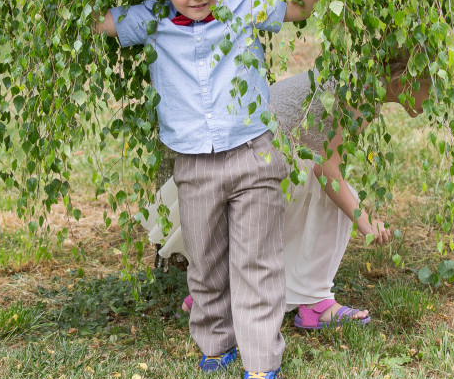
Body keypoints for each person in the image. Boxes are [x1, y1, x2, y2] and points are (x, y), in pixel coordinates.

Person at [92, 0, 330, 379]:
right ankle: (216, 346)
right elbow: (97, 24)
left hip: (254, 155)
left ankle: (260, 363)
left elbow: (301, 11)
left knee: (256, 261)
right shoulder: (154, 18)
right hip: (195, 165)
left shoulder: (240, 3)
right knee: (205, 261)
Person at [142, 57, 431, 329]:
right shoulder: (363, 95)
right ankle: (314, 301)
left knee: (308, 184)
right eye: (430, 92)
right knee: (335, 199)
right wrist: (363, 219)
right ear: (401, 83)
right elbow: (326, 168)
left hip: (240, 160)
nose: (433, 102)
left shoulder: (356, 80)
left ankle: (219, 291)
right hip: (253, 165)